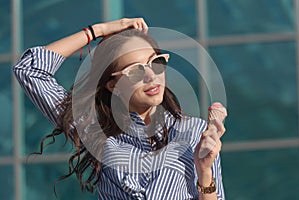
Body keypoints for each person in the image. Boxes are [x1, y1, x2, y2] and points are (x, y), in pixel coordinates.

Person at [13, 18, 226, 200]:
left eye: (156, 63)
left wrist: (204, 170)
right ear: (112, 85)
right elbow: (30, 69)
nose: (151, 76)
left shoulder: (195, 131)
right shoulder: (93, 129)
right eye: (135, 71)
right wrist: (98, 30)